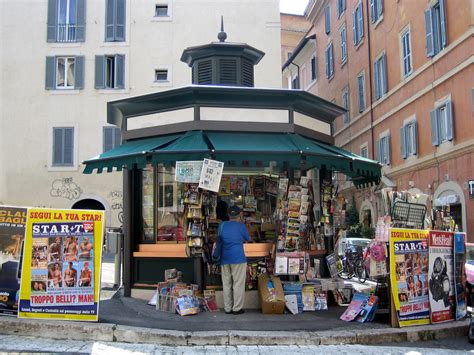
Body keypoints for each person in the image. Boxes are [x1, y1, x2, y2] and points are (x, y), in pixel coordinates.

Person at [213, 205, 251, 315]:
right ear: (239, 215)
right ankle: (237, 308)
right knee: (238, 284)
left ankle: (227, 308)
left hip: (225, 258)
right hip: (238, 258)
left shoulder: (222, 225)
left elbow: (219, 238)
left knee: (226, 283)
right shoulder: (241, 226)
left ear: (228, 215)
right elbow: (248, 239)